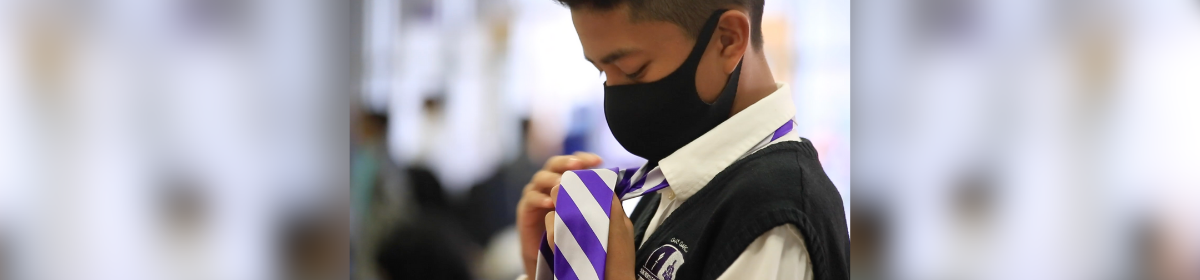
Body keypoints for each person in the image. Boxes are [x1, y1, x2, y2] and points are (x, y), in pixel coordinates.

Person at [515, 0, 849, 279]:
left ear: (728, 40)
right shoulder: (678, 174)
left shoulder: (772, 215)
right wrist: (548, 268)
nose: (614, 95)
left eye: (633, 70)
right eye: (602, 72)